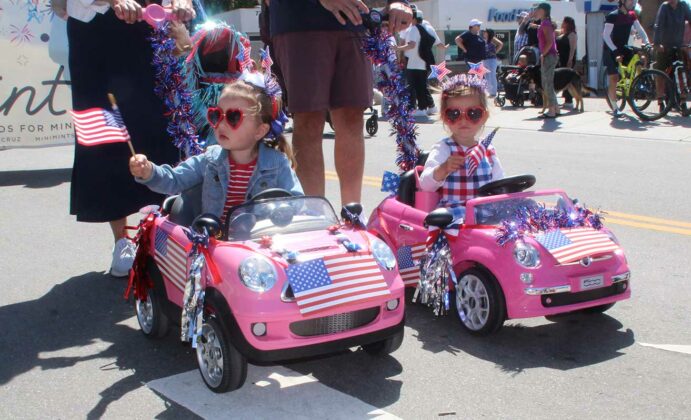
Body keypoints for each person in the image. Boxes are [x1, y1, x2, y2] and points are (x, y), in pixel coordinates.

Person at [66, 0, 195, 277]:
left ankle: (165, 237)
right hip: (97, 28)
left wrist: (180, 3)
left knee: (164, 130)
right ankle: (122, 241)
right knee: (108, 137)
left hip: (152, 26)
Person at [269, 0, 413, 208]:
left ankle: (352, 213)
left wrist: (399, 3)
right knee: (308, 119)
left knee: (352, 117)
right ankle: (313, 216)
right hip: (301, 20)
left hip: (356, 22)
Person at [129, 77, 303, 222]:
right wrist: (149, 171)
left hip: (259, 246)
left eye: (233, 117)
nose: (221, 124)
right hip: (214, 246)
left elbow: (298, 202)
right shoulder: (210, 159)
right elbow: (174, 180)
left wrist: (282, 212)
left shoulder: (277, 163)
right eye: (216, 115)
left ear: (260, 131)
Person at [419, 74, 504, 222]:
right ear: (445, 118)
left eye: (473, 113)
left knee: (521, 212)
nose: (463, 120)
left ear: (484, 116)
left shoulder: (487, 149)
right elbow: (425, 184)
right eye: (454, 114)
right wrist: (443, 169)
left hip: (486, 213)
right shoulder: (444, 148)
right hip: (455, 214)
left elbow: (500, 183)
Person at [602, 0, 650, 118]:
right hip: (610, 49)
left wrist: (647, 42)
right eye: (630, 0)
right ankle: (615, 108)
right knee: (614, 78)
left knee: (638, 56)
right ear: (622, 1)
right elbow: (606, 36)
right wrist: (615, 51)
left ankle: (638, 82)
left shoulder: (631, 15)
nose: (633, 2)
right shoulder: (613, 16)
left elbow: (640, 30)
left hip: (622, 47)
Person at [653, 0, 691, 102]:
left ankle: (683, 100)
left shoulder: (683, 6)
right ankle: (660, 99)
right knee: (660, 71)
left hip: (678, 44)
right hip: (665, 45)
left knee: (681, 72)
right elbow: (658, 25)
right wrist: (657, 44)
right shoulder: (664, 7)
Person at [399, 10, 435, 117]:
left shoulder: (414, 29)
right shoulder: (424, 28)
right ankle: (424, 108)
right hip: (423, 62)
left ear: (413, 19)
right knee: (422, 86)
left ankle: (421, 108)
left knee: (414, 86)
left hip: (413, 63)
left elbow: (411, 45)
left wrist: (397, 48)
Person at [534, 3, 559, 119]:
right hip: (549, 55)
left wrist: (543, 54)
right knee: (548, 82)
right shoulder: (544, 23)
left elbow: (550, 41)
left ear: (543, 10)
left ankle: (552, 110)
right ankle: (556, 108)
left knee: (547, 83)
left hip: (548, 55)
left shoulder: (545, 23)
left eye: (537, 9)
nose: (536, 11)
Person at [557, 16, 578, 108]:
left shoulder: (572, 35)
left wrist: (570, 60)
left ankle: (569, 100)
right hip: (561, 58)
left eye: (564, 22)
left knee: (567, 79)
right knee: (562, 79)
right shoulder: (564, 33)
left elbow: (573, 49)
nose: (562, 23)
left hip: (568, 59)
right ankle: (566, 99)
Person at [482, 29, 504, 97]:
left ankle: (493, 92)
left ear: (488, 33)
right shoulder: (484, 40)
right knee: (486, 76)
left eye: (485, 32)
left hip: (491, 60)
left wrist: (495, 52)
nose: (483, 33)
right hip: (485, 60)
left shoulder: (492, 39)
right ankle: (489, 92)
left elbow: (500, 44)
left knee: (492, 76)